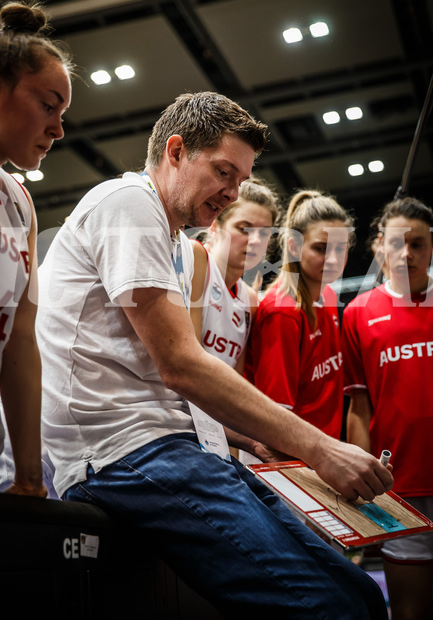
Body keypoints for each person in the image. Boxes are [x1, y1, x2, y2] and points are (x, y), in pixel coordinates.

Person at [36, 91, 393, 618]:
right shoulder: (126, 203)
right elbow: (180, 365)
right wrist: (321, 449)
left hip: (180, 448)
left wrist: (247, 436)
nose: (232, 193)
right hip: (122, 453)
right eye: (223, 172)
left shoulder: (182, 245)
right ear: (175, 151)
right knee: (329, 606)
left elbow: (166, 375)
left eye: (241, 181)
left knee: (361, 594)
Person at [0, 0, 73, 493]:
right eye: (48, 105)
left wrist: (30, 477)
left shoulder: (18, 201)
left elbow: (20, 336)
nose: (57, 128)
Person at [342, 196, 433, 620]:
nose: (407, 253)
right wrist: (361, 485)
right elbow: (359, 405)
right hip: (402, 490)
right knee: (409, 611)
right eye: (398, 243)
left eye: (418, 243)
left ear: (431, 247)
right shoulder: (359, 312)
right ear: (379, 245)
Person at [245, 190, 354, 447]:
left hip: (323, 456)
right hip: (292, 459)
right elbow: (275, 417)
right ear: (294, 245)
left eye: (342, 248)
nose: (334, 259)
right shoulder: (282, 313)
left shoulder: (326, 294)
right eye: (321, 248)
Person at [189, 175, 281, 461]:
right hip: (177, 427)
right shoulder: (195, 258)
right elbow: (186, 367)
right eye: (244, 228)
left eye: (264, 233)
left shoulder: (250, 300)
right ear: (215, 226)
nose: (255, 241)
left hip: (215, 435)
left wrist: (233, 459)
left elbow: (233, 389)